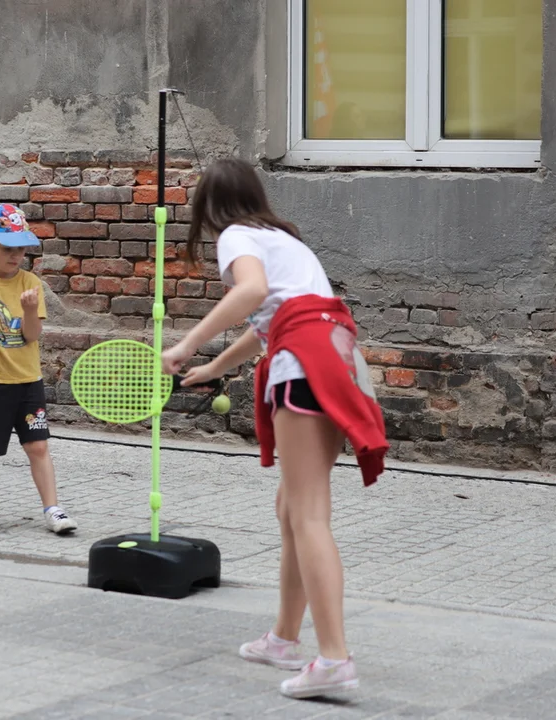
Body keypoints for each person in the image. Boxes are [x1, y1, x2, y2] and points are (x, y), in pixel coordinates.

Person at [161, 158, 387, 699]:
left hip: (303, 365)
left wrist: (186, 343)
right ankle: (284, 638)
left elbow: (250, 294)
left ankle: (333, 658)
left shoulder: (237, 235)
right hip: (336, 358)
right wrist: (215, 367)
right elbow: (278, 316)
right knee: (293, 506)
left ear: (209, 210)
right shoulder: (283, 238)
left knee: (308, 514)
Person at [0, 204, 77, 535]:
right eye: (8, 248)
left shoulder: (30, 282)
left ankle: (53, 509)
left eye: (21, 248)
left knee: (38, 446)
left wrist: (28, 309)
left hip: (27, 381)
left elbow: (32, 335)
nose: (15, 255)